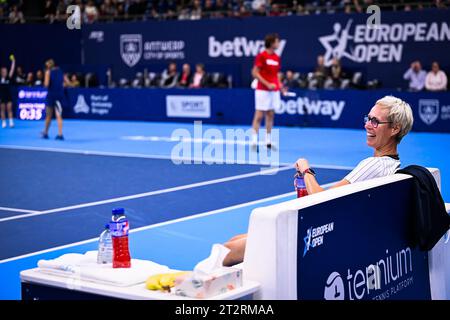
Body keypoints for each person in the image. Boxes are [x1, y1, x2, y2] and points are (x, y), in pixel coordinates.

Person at [223, 95, 414, 266]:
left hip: (327, 236)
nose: (367, 125)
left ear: (394, 129)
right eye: (368, 118)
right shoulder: (391, 165)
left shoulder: (374, 165)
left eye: (375, 121)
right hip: (345, 228)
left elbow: (320, 198)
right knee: (237, 238)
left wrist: (306, 169)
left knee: (229, 250)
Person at [251, 33, 285, 149]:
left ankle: (268, 141)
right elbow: (255, 73)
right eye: (277, 41)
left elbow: (276, 75)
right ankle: (254, 141)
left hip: (273, 91)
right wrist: (267, 84)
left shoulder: (277, 57)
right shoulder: (261, 56)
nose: (278, 43)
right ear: (271, 43)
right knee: (259, 115)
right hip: (262, 90)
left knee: (270, 115)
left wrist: (280, 86)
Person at [41, 59, 69, 140]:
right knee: (59, 115)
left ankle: (45, 133)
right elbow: (67, 82)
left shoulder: (48, 72)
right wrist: (60, 85)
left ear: (48, 66)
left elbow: (46, 85)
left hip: (51, 96)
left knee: (48, 116)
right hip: (59, 96)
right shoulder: (61, 71)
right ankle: (60, 134)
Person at [0, 54, 16, 128]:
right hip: (1, 96)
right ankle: (3, 122)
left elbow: (12, 69)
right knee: (2, 109)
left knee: (9, 109)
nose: (5, 72)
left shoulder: (8, 78)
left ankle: (11, 122)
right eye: (3, 71)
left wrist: (13, 61)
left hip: (8, 95)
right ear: (1, 72)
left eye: (5, 71)